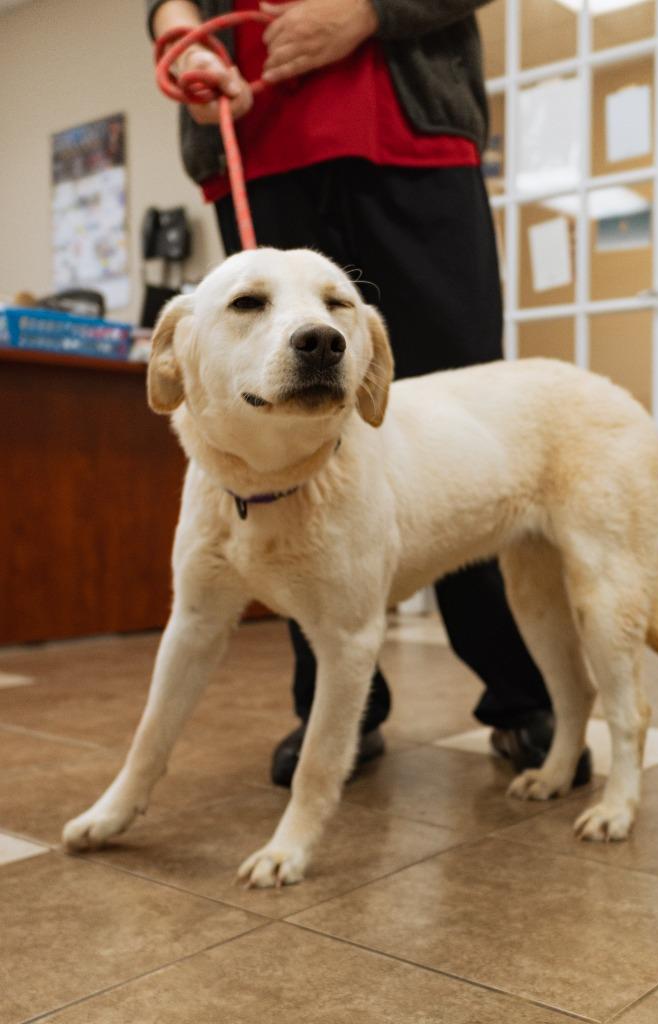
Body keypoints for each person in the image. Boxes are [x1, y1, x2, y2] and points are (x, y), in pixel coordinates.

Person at [147, 0, 592, 789]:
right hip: (255, 141)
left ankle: (521, 693)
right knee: (279, 442)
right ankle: (333, 697)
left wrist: (368, 13)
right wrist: (179, 36)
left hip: (406, 139)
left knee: (459, 428)